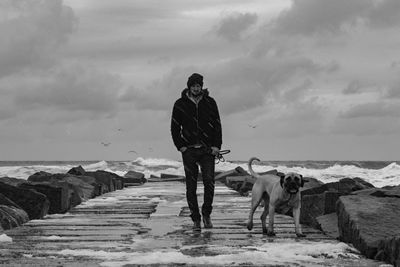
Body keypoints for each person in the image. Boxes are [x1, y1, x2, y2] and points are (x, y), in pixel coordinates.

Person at [171, 73, 222, 231]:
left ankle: (206, 214)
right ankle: (196, 218)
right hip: (189, 151)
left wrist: (216, 146)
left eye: (198, 85)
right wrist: (181, 146)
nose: (195, 88)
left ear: (201, 86)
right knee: (191, 186)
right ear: (189, 86)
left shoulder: (210, 102)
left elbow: (217, 125)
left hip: (207, 150)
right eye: (193, 85)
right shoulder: (180, 103)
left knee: (209, 182)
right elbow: (174, 127)